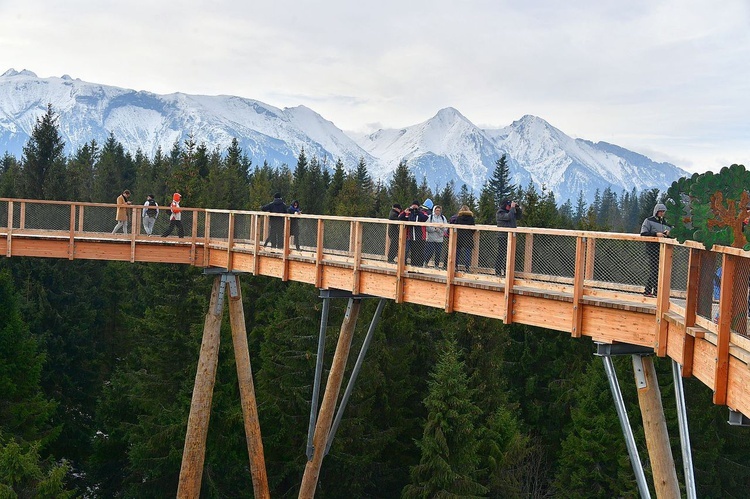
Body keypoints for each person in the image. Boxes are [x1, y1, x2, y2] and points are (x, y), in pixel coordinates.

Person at [640, 202, 671, 297]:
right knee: (655, 270)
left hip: (664, 249)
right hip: (652, 249)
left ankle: (650, 291)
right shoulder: (648, 221)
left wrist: (668, 233)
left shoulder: (666, 223)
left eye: (663, 211)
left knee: (659, 270)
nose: (662, 213)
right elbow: (643, 233)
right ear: (656, 211)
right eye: (660, 211)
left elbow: (671, 236)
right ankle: (654, 291)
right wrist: (655, 234)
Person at [495, 199, 522, 276]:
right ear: (504, 205)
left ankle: (506, 272)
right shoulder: (500, 213)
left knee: (509, 255)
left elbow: (519, 217)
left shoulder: (511, 212)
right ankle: (498, 271)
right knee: (501, 254)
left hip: (511, 236)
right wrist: (512, 209)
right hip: (503, 236)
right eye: (509, 205)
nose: (510, 207)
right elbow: (508, 217)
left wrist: (517, 208)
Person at [398, 200, 428, 266]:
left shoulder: (422, 212)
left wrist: (417, 211)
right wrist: (405, 212)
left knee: (420, 252)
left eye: (415, 205)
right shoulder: (409, 212)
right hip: (411, 236)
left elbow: (424, 218)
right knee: (413, 252)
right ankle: (413, 267)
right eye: (413, 205)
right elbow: (400, 218)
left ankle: (419, 267)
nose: (414, 207)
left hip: (421, 236)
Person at [452, 205, 476, 272]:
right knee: (468, 253)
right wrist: (470, 233)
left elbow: (456, 226)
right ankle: (467, 268)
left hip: (460, 236)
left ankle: (455, 266)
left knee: (457, 252)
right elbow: (473, 227)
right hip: (468, 236)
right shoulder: (471, 218)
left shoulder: (459, 218)